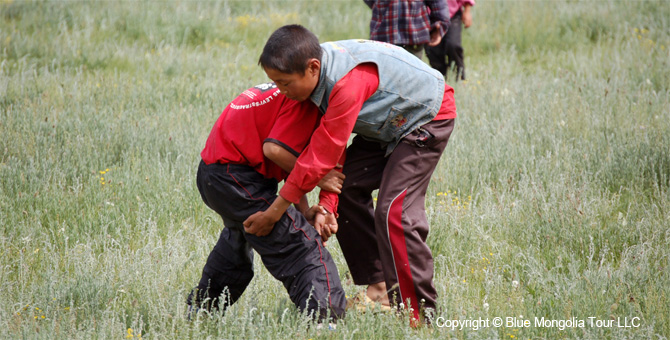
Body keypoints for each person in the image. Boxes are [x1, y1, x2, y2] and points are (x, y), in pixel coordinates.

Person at [247, 25, 458, 325]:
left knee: (394, 211)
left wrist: (274, 211)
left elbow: (320, 156)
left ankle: (420, 314)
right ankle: (382, 287)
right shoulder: (316, 76)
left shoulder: (345, 84)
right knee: (348, 188)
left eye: (285, 84)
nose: (281, 92)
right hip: (388, 123)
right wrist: (328, 208)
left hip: (426, 118)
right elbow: (332, 159)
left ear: (312, 68)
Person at [187, 82, 347, 322]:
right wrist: (318, 177)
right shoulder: (306, 100)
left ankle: (202, 311)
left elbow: (288, 158)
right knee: (302, 247)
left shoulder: (288, 88)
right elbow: (276, 151)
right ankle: (325, 322)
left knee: (238, 242)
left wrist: (303, 210)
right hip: (236, 178)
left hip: (214, 175)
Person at [363, 0, 450, 59]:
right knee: (385, 76)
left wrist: (440, 25)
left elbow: (438, 3)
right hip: (384, 35)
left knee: (411, 76)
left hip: (414, 36)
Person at [426, 0, 475, 80]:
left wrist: (467, 10)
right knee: (433, 51)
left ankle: (459, 77)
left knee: (453, 45)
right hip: (429, 15)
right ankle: (441, 80)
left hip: (452, 14)